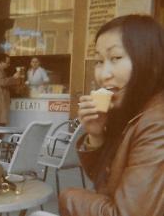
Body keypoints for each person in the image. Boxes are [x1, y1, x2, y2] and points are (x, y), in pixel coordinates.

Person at [59, 15, 164, 216]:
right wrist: (96, 136)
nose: (103, 74)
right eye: (99, 60)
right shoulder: (134, 110)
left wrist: (68, 197)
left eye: (116, 58)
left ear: (151, 62)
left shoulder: (157, 123)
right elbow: (108, 184)